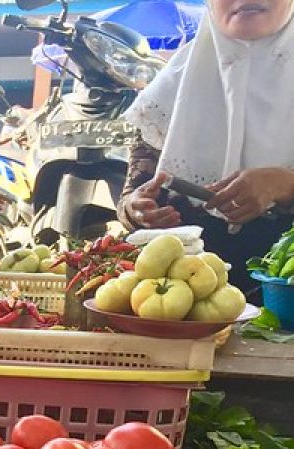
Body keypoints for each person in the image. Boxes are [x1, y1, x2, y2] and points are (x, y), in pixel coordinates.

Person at [119, 0, 294, 293]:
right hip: (185, 297)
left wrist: (284, 184)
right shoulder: (170, 87)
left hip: (285, 295)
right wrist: (138, 211)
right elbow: (130, 196)